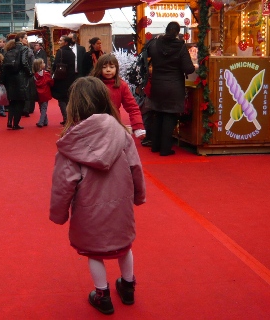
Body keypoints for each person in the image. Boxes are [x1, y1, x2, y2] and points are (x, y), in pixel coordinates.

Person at [49, 77, 146, 315]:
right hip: (120, 205)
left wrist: (59, 214)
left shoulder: (70, 143)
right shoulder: (121, 133)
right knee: (124, 246)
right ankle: (128, 284)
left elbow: (63, 183)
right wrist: (139, 195)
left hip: (89, 209)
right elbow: (135, 166)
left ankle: (102, 294)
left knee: (94, 252)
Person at [148, 21, 196, 156]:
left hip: (157, 84)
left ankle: (155, 146)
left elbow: (149, 57)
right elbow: (189, 68)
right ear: (177, 32)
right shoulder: (180, 47)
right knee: (170, 115)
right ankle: (165, 149)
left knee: (158, 114)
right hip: (174, 86)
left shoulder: (155, 44)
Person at [91, 54, 145, 138]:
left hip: (114, 123)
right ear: (99, 68)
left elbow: (132, 107)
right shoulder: (92, 84)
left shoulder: (121, 85)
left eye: (112, 67)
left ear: (116, 68)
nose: (108, 70)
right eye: (104, 67)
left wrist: (138, 126)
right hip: (94, 125)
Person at [1, 32, 32, 130]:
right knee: (21, 101)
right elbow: (24, 62)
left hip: (10, 78)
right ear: (21, 39)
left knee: (12, 101)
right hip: (20, 77)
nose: (27, 40)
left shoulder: (10, 49)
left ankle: (9, 121)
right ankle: (16, 124)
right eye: (26, 38)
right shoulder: (24, 48)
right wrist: (30, 72)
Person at [51, 35, 77, 125]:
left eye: (61, 40)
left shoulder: (60, 51)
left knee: (61, 99)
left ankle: (66, 118)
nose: (59, 42)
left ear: (65, 42)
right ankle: (70, 117)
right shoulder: (72, 53)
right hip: (70, 78)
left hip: (61, 78)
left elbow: (55, 65)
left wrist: (53, 72)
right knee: (68, 99)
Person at [33, 58, 54, 127]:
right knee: (44, 108)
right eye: (43, 63)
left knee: (41, 107)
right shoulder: (46, 74)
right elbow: (51, 82)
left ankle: (45, 121)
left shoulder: (34, 75)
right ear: (40, 65)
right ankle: (41, 122)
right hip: (45, 93)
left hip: (38, 94)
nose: (44, 64)